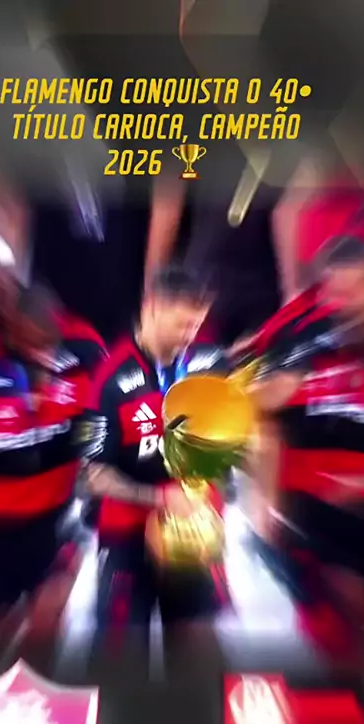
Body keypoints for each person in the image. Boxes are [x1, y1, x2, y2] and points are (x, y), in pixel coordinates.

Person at [80, 265, 230, 656]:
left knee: (199, 649)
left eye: (196, 325)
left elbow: (231, 435)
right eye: (181, 324)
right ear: (151, 308)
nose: (189, 335)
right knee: (121, 660)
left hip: (193, 534)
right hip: (128, 537)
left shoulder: (210, 364)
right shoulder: (111, 379)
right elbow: (94, 475)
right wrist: (158, 498)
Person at [251, 235, 364, 606]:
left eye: (355, 291)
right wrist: (268, 502)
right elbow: (267, 424)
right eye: (336, 293)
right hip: (318, 530)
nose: (343, 305)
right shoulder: (304, 355)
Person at [0, 283, 106, 625]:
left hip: (53, 521)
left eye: (49, 343)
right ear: (13, 329)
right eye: (34, 344)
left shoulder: (75, 367)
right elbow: (12, 459)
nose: (44, 357)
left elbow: (92, 431)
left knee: (48, 619)